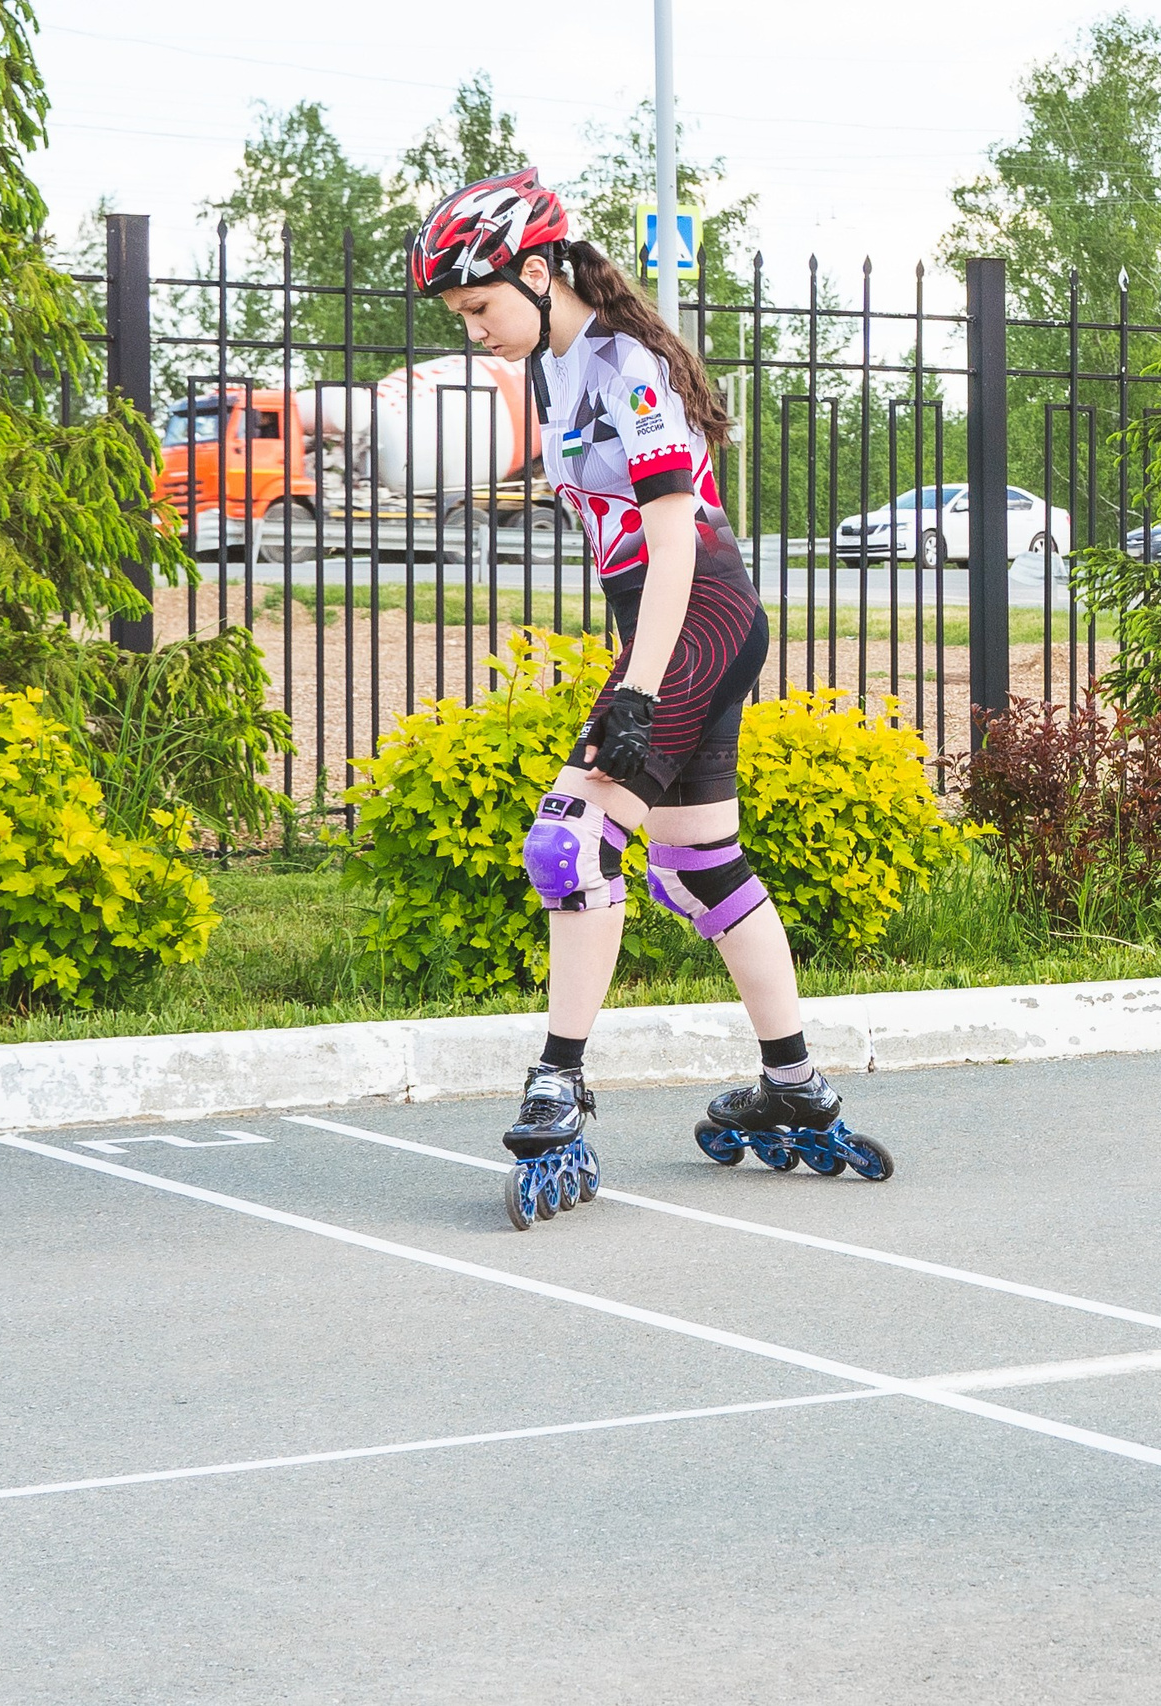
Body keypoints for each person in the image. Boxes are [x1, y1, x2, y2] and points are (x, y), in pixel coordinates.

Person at [409, 169, 870, 1228]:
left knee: (568, 843)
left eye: (479, 306)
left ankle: (558, 1085)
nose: (474, 331)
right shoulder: (554, 365)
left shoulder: (629, 366)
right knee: (698, 867)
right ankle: (795, 1083)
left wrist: (639, 689)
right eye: (460, 315)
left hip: (696, 614)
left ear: (537, 272)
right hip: (679, 623)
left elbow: (672, 539)